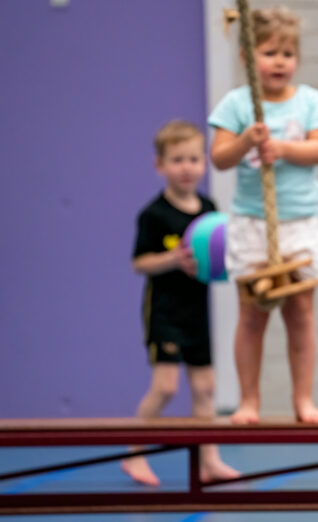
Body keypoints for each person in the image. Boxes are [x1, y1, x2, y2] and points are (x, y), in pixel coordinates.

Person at [209, 6, 318, 424]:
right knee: (252, 314)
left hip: (298, 222)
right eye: (269, 52)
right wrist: (247, 139)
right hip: (253, 222)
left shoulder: (309, 100)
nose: (280, 61)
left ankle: (303, 399)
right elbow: (220, 158)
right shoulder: (238, 104)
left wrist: (281, 149)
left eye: (287, 53)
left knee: (300, 312)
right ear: (247, 56)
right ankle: (248, 401)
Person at [123, 121, 240, 486]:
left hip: (196, 312)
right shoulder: (154, 214)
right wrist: (173, 259)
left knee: (205, 388)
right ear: (160, 165)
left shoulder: (209, 206)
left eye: (193, 159)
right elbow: (139, 262)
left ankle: (210, 459)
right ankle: (134, 454)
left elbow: (217, 251)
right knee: (166, 387)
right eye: (177, 160)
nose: (186, 167)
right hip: (165, 313)